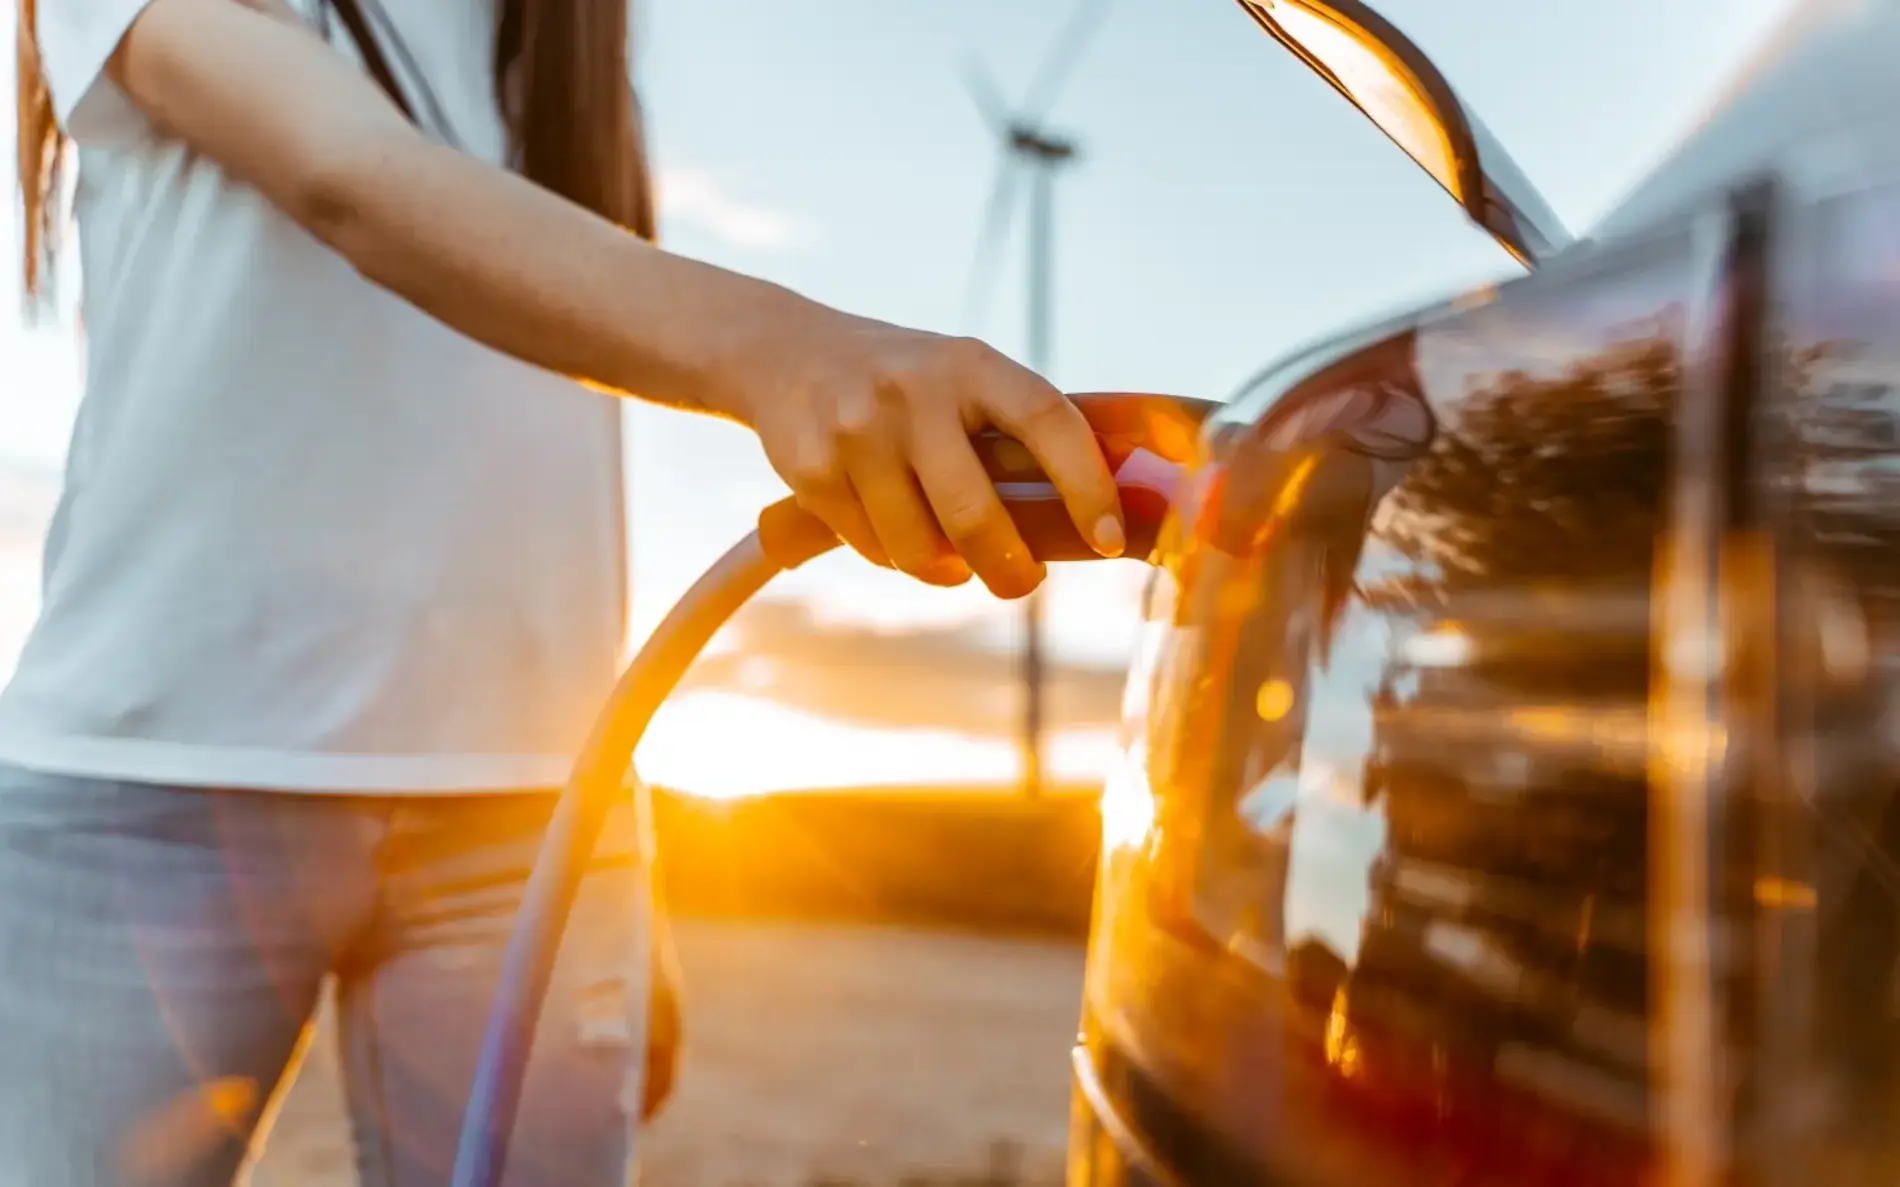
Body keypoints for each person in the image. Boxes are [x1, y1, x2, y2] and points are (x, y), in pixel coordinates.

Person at [3, 0, 1129, 1182]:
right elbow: (348, 174)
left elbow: (558, 456)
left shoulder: (569, 37)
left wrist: (613, 839)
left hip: (528, 821)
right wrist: (790, 351)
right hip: (150, 794)